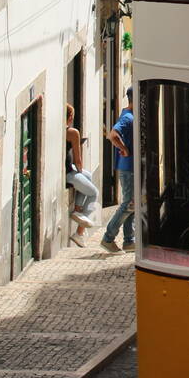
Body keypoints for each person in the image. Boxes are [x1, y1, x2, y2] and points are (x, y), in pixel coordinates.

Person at [102, 88, 135, 254]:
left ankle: (129, 241)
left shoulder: (129, 115)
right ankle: (108, 238)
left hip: (129, 167)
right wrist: (124, 148)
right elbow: (112, 135)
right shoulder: (128, 118)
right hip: (128, 168)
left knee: (132, 204)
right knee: (129, 203)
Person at [65, 104, 99, 246]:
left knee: (89, 176)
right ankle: (79, 231)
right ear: (70, 117)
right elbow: (78, 161)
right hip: (68, 173)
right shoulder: (73, 133)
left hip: (66, 169)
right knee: (93, 193)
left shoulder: (59, 130)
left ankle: (77, 210)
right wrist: (79, 174)